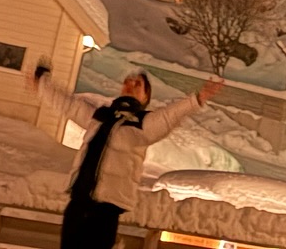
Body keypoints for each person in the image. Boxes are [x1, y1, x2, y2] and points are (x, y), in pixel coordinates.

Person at [31, 61, 222, 249]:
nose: (130, 85)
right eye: (128, 82)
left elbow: (169, 116)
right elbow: (68, 104)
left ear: (145, 95)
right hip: (79, 202)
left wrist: (198, 98)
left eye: (137, 84)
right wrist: (42, 82)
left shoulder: (145, 124)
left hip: (105, 211)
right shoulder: (99, 116)